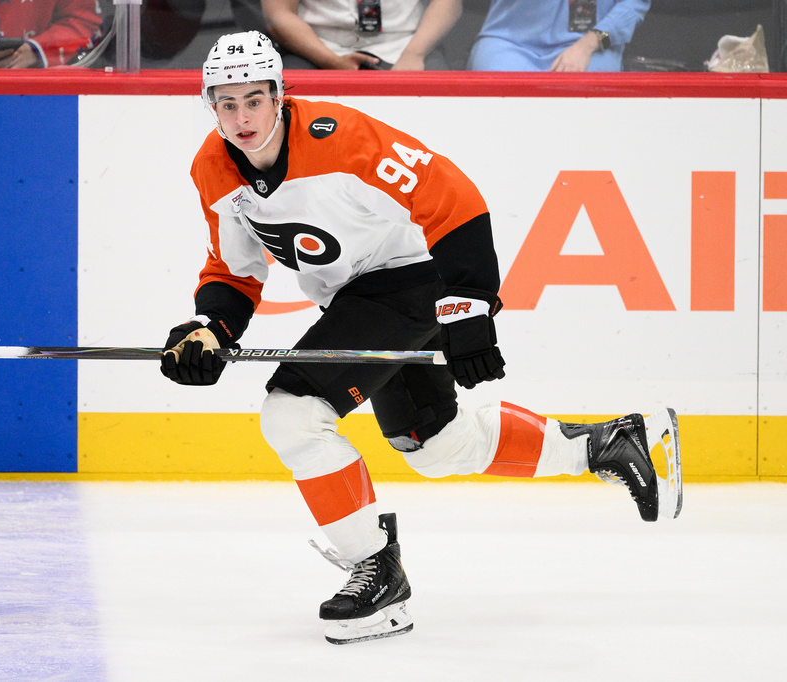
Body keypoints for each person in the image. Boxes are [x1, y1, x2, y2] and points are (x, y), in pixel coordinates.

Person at [160, 31, 682, 644]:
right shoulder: (213, 168)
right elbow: (236, 270)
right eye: (226, 103)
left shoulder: (341, 137)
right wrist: (208, 328)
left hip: (411, 281)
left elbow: (453, 200)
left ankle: (375, 572)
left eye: (255, 99)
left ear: (280, 93)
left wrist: (469, 309)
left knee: (293, 414)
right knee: (435, 445)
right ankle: (612, 444)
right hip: (356, 298)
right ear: (209, 104)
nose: (242, 118)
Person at [261, 0, 462, 70]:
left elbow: (448, 4)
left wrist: (414, 54)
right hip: (314, 47)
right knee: (285, 97)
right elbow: (279, 14)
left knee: (438, 97)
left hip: (405, 46)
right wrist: (331, 60)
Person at [468, 0, 650, 71]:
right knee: (496, 84)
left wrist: (587, 45)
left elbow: (633, 6)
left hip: (591, 45)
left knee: (593, 87)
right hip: (511, 41)